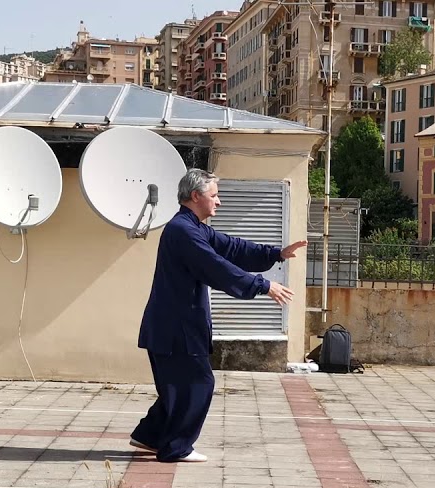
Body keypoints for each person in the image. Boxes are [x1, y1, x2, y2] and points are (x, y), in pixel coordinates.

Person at [130, 168, 307, 463]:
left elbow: (231, 248)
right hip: (176, 330)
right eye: (214, 196)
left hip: (174, 328)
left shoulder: (192, 228)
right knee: (199, 384)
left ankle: (149, 437)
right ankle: (176, 448)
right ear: (196, 196)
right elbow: (214, 266)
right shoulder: (183, 232)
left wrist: (275, 253)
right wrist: (263, 285)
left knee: (178, 389)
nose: (219, 202)